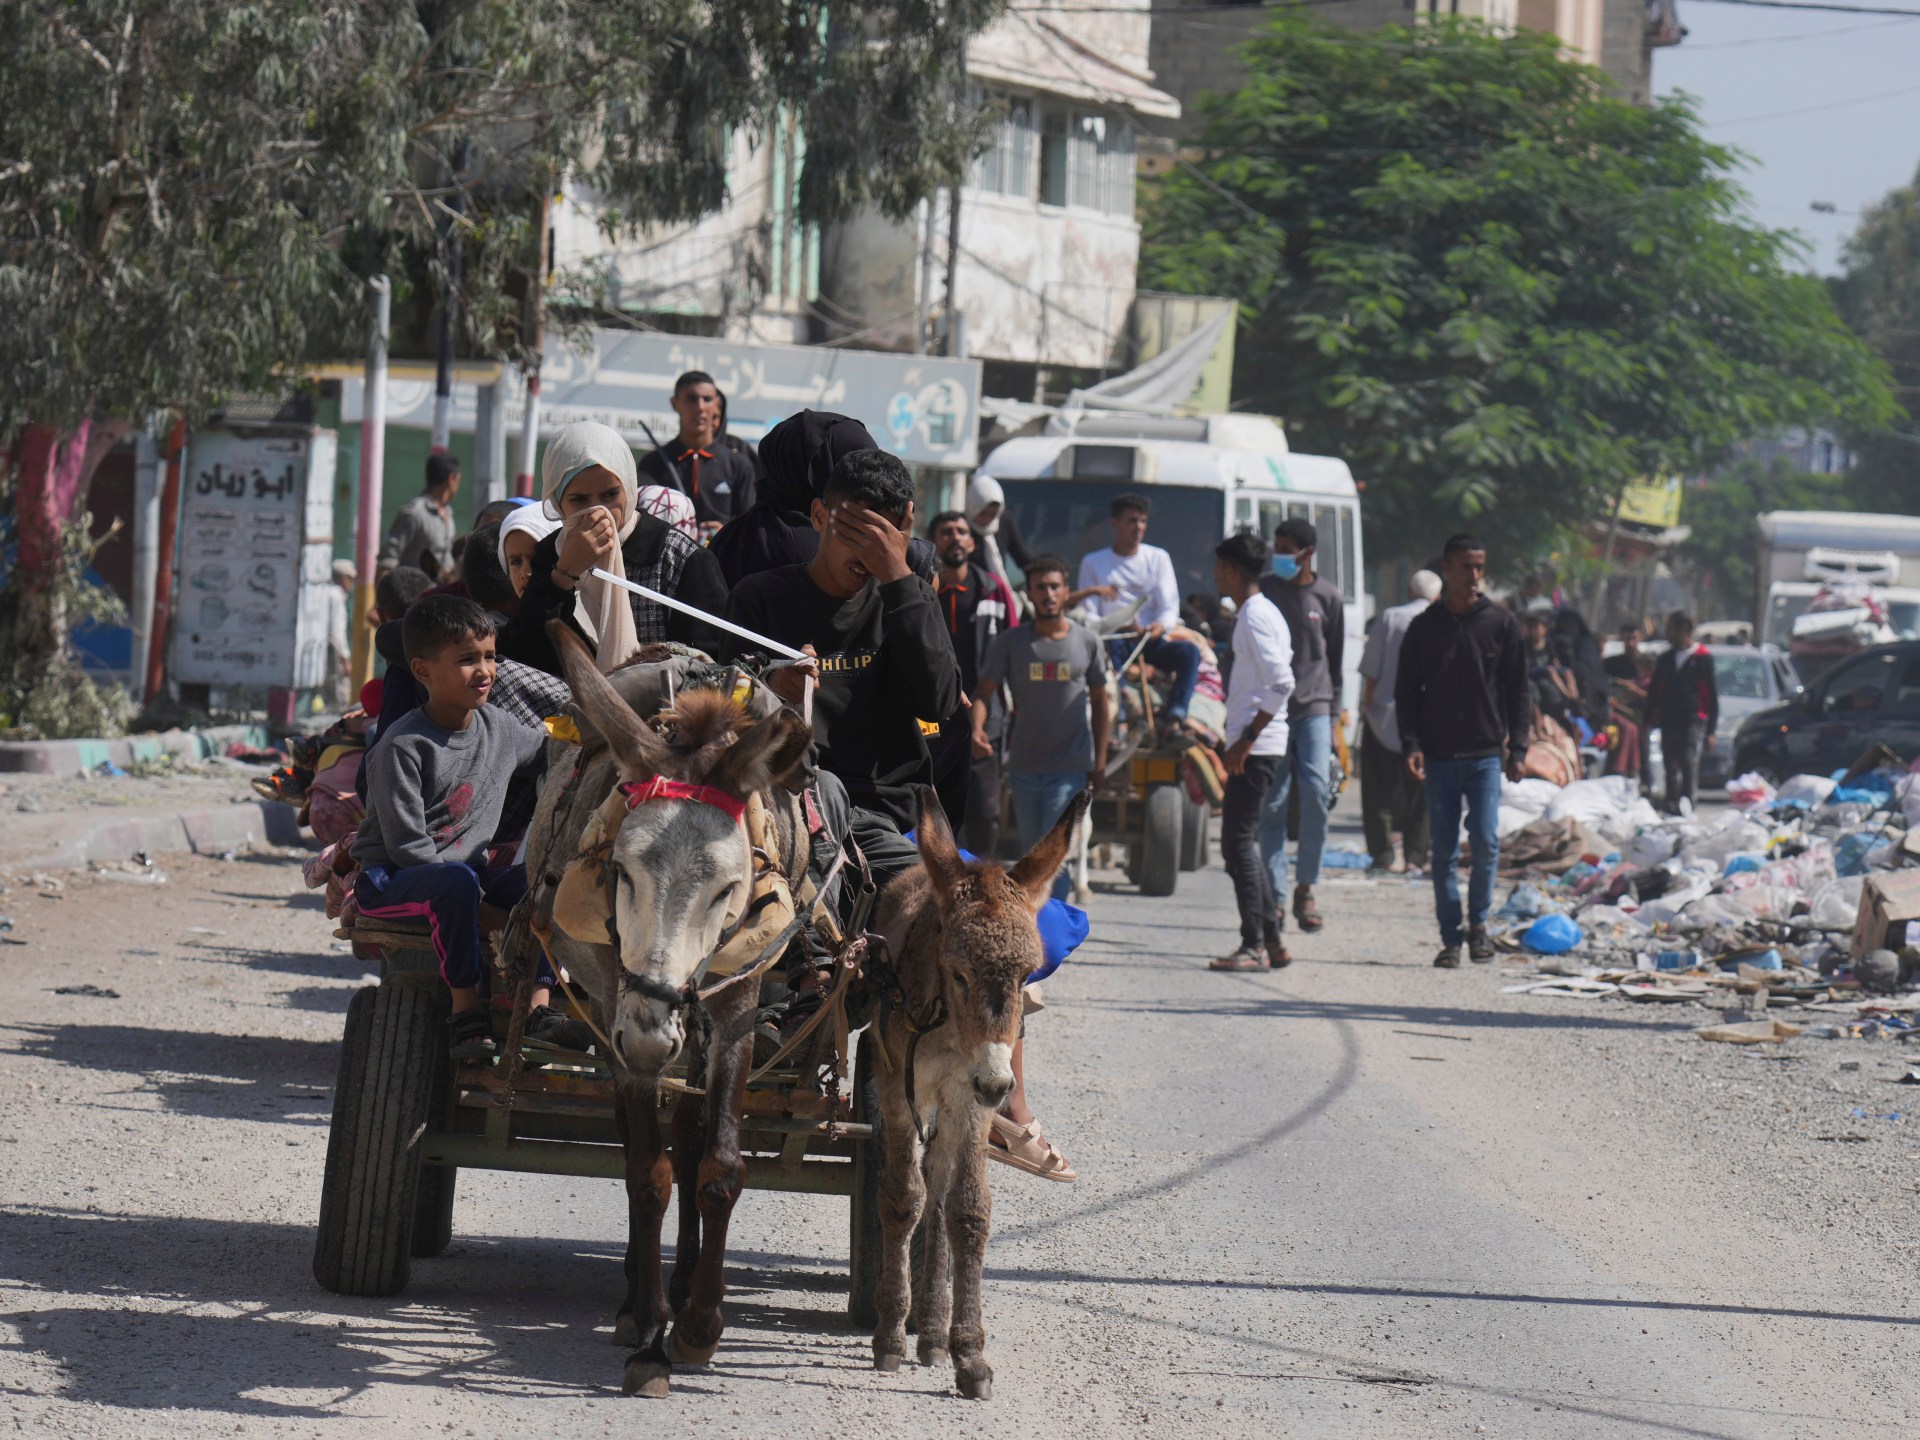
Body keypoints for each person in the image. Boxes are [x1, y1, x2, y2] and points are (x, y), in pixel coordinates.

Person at [351, 596, 585, 1058]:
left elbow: (553, 751)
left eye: (490, 656)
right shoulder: (403, 746)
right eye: (466, 660)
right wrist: (492, 917)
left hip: (467, 875)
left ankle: (538, 1007)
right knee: (455, 882)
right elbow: (407, 848)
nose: (485, 670)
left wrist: (599, 733)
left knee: (547, 881)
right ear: (422, 671)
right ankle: (466, 1012)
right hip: (393, 879)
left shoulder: (498, 726)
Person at [1395, 534, 1531, 969]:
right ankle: (1450, 936)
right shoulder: (1424, 627)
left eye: (1479, 567)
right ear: (1447, 570)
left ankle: (1479, 927)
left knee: (1487, 841)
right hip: (1438, 755)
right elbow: (1407, 692)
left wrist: (1519, 747)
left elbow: (1518, 690)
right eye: (1466, 567)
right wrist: (1412, 743)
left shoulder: (1501, 624)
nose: (1474, 576)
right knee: (1444, 850)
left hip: (1486, 753)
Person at [501, 421, 729, 674]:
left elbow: (710, 662)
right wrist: (565, 573)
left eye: (610, 495)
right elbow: (526, 651)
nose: (599, 511)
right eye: (579, 499)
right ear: (558, 502)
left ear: (628, 489)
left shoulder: (678, 556)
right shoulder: (549, 553)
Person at [972, 554, 1109, 900]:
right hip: (1025, 768)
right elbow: (984, 693)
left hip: (1070, 767)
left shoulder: (1088, 642)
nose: (1048, 594)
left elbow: (1102, 702)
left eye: (1054, 586)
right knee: (1033, 856)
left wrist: (1101, 760)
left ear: (1066, 592)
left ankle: (1055, 941)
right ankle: (1039, 935)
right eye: (1040, 588)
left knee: (1054, 855)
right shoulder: (1011, 643)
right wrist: (977, 730)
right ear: (1029, 595)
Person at [1205, 531, 1297, 971]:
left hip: (1256, 747)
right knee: (1244, 843)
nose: (1215, 576)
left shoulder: (1256, 616)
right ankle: (1272, 941)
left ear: (1231, 570)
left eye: (1219, 568)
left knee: (1239, 844)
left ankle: (1254, 944)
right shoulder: (1259, 613)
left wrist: (1245, 739)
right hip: (1257, 743)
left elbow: (1282, 682)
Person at [1256, 517, 1346, 937]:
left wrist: (1337, 718)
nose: (1279, 555)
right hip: (1273, 710)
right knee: (1272, 805)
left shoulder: (1327, 597)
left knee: (1315, 793)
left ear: (1307, 553)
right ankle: (1274, 896)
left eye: (1286, 547)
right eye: (1276, 547)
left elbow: (1335, 660)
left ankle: (1306, 887)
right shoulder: (1265, 591)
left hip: (1316, 709)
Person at [1075, 493, 1202, 740]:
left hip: (1149, 639)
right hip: (1113, 640)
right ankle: (1119, 721)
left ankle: (1175, 718)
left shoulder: (1158, 558)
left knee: (1190, 654)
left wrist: (1159, 627)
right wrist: (1117, 627)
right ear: (1115, 524)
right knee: (1107, 660)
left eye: (1143, 521)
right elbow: (1089, 613)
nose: (1139, 527)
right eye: (1132, 521)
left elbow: (1169, 607)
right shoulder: (1093, 562)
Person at [929, 510, 1019, 856]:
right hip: (931, 719)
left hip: (985, 720)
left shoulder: (994, 590)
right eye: (946, 531)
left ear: (972, 541)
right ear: (934, 540)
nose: (954, 538)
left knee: (983, 811)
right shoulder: (922, 589)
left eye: (961, 531)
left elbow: (1012, 652)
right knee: (937, 813)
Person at [1358, 569, 1439, 874]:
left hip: (1384, 716)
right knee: (1421, 794)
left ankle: (1383, 855)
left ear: (1409, 591)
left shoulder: (1389, 618)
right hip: (1427, 719)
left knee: (1379, 791)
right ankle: (1416, 857)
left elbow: (1372, 671)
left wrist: (1368, 708)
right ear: (1437, 596)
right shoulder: (1442, 620)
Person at [636, 370, 756, 530]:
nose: (699, 407)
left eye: (707, 399)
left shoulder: (739, 465)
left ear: (717, 405)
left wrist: (725, 532)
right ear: (674, 403)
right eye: (691, 399)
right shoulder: (653, 464)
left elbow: (751, 524)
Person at [1643, 611, 1718, 816]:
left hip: (1692, 719)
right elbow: (1655, 691)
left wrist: (1711, 730)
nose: (1668, 632)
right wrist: (1649, 719)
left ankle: (1687, 802)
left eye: (1671, 628)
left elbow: (1711, 697)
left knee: (1687, 760)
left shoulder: (1702, 658)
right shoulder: (1666, 659)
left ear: (1683, 629)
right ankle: (1671, 803)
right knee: (1670, 762)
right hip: (1669, 719)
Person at [378, 453, 460, 580]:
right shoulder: (414, 514)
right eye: (458, 480)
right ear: (452, 479)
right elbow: (387, 560)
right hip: (415, 596)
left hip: (442, 597)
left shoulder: (448, 513)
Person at [966, 473, 1032, 586]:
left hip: (997, 591)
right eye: (982, 513)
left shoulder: (1004, 521)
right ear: (972, 508)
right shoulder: (960, 527)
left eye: (993, 514)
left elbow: (1022, 557)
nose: (987, 519)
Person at [326, 559, 356, 709]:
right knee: (340, 695)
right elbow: (336, 632)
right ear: (343, 578)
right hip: (334, 652)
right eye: (350, 579)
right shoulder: (336, 596)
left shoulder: (325, 592)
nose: (351, 584)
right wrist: (345, 659)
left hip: (323, 651)